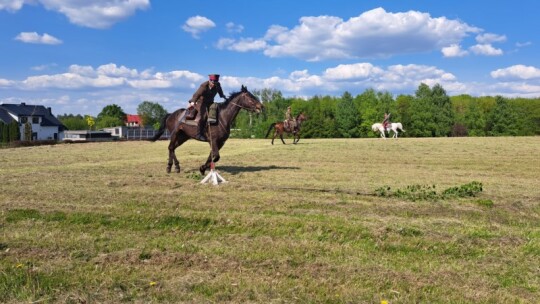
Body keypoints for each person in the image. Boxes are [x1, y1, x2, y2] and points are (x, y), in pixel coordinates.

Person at [188, 74, 227, 141]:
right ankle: (199, 134)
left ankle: (212, 130)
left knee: (217, 110)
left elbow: (220, 92)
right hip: (201, 102)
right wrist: (193, 102)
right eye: (212, 81)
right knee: (203, 116)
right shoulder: (204, 85)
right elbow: (197, 94)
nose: (214, 83)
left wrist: (223, 96)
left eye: (215, 81)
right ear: (210, 80)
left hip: (210, 102)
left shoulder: (218, 85)